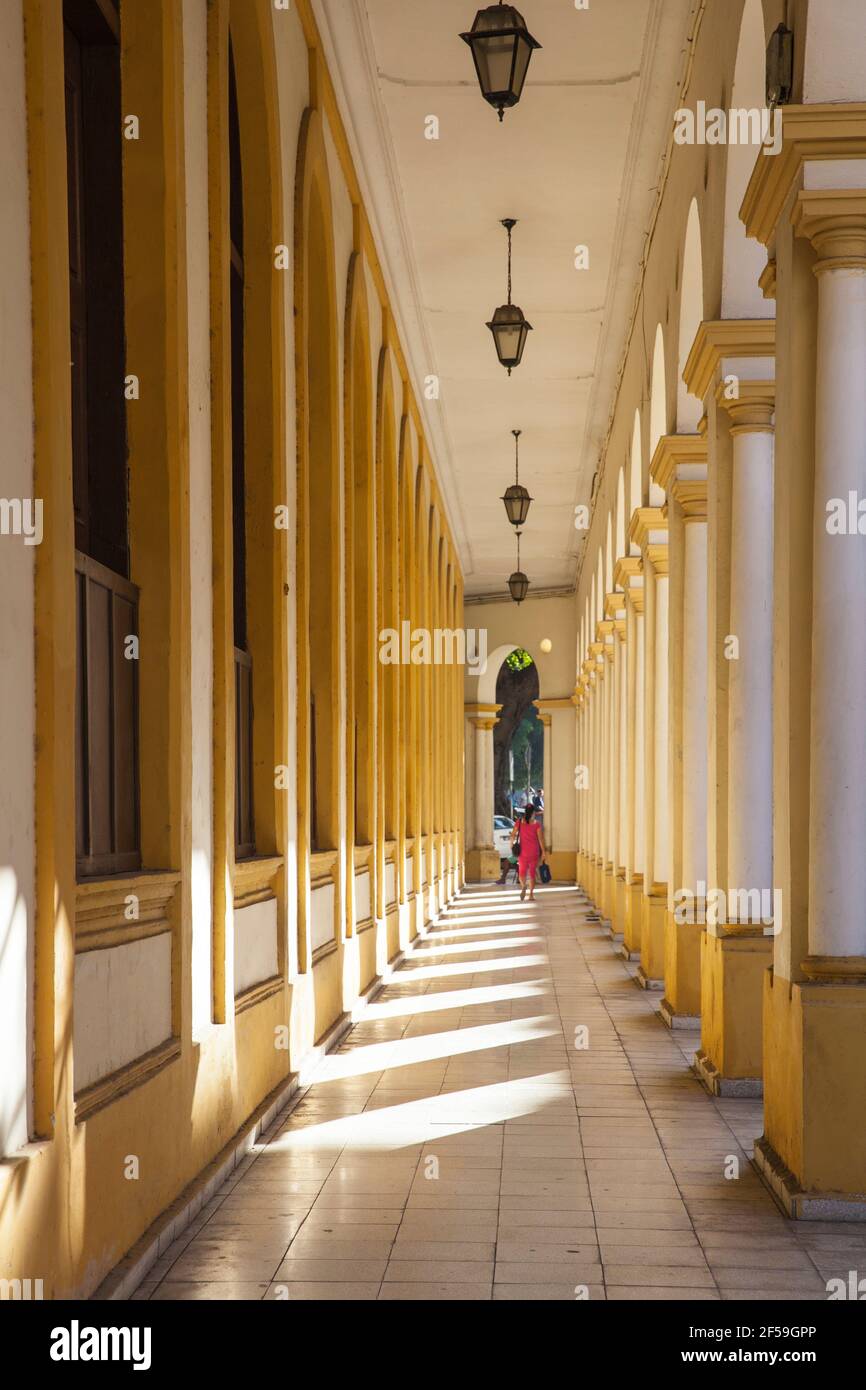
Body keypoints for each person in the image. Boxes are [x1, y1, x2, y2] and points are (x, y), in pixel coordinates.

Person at [511, 803, 546, 902]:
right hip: (534, 852)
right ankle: (531, 894)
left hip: (522, 852)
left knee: (522, 872)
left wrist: (512, 844)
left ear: (525, 812)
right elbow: (541, 839)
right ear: (534, 813)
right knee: (532, 874)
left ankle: (523, 886)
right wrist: (543, 852)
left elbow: (513, 834)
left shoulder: (519, 822)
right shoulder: (537, 824)